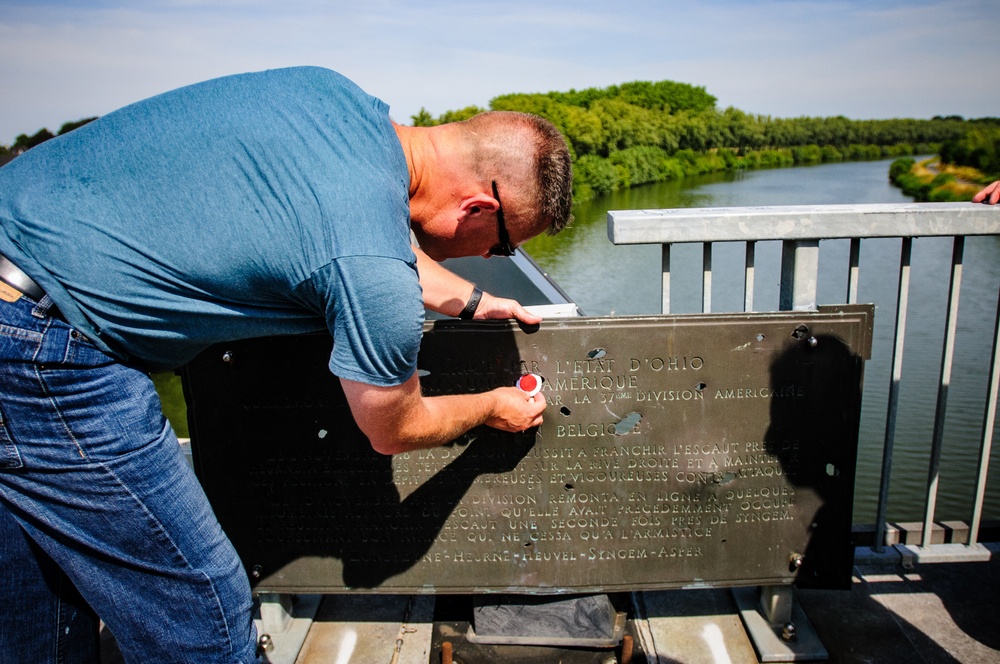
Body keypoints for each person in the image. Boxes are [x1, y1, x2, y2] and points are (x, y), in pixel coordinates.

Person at [0, 66, 572, 663]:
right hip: (43, 355)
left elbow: (342, 225)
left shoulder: (337, 100)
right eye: (504, 245)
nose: (493, 256)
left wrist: (471, 299)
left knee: (38, 600)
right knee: (205, 609)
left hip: (16, 275)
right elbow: (392, 427)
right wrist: (491, 406)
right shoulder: (370, 264)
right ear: (479, 207)